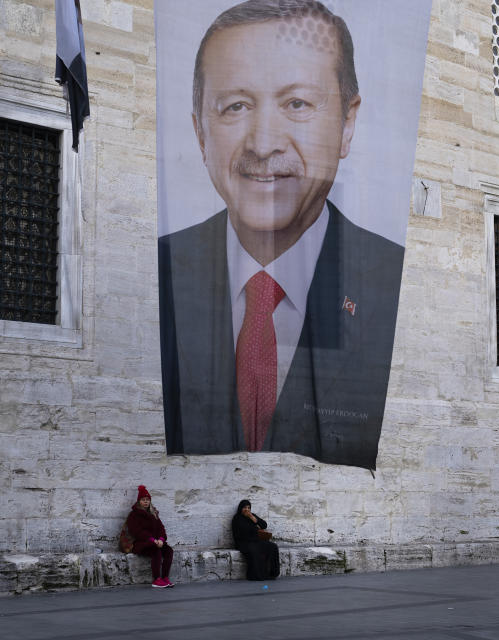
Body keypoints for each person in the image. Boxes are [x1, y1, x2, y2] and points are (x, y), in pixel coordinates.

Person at [158, 0, 404, 470]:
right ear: (201, 133)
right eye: (235, 106)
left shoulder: (395, 281)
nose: (264, 142)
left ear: (347, 123)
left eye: (297, 104)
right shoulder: (161, 273)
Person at [125, 485, 175, 588]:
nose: (146, 502)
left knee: (169, 550)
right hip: (141, 543)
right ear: (139, 501)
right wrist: (151, 540)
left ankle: (165, 578)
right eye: (143, 500)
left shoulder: (154, 514)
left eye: (147, 500)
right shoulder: (134, 515)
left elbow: (161, 528)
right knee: (156, 551)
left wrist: (161, 539)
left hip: (156, 542)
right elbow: (136, 531)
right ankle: (156, 579)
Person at [231, 499, 280, 581]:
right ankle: (256, 575)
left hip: (255, 541)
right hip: (243, 543)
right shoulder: (237, 518)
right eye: (244, 507)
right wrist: (254, 527)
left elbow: (264, 525)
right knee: (254, 549)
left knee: (273, 546)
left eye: (248, 507)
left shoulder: (252, 516)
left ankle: (272, 573)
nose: (247, 509)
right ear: (240, 508)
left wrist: (254, 519)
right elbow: (244, 532)